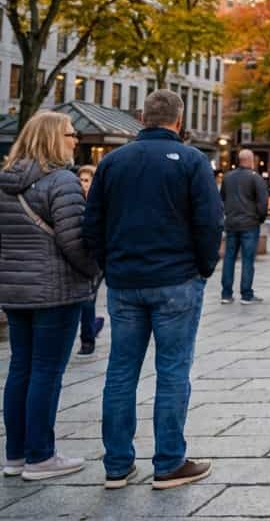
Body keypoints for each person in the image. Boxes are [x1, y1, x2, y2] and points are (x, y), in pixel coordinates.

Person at [82, 89, 222, 489]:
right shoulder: (193, 161)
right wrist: (203, 267)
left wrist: (110, 265)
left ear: (141, 117)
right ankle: (169, 462)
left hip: (125, 282)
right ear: (178, 120)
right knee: (173, 370)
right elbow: (210, 221)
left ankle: (117, 464)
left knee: (121, 371)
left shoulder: (112, 162)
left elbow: (93, 222)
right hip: (176, 280)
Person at [0, 111, 99, 481]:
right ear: (55, 139)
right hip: (56, 289)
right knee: (47, 371)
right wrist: (94, 271)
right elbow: (75, 241)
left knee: (20, 368)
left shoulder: (5, 182)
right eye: (72, 134)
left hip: (14, 289)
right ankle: (40, 455)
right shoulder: (62, 181)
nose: (76, 140)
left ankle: (15, 454)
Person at [220, 149, 268, 305]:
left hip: (232, 223)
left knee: (229, 258)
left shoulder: (227, 177)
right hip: (250, 223)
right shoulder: (256, 178)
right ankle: (246, 294)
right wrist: (259, 218)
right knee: (248, 260)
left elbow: (222, 199)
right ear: (250, 160)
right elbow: (262, 203)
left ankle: (226, 294)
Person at [75, 164, 105, 356]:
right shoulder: (72, 199)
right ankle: (94, 325)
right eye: (81, 180)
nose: (83, 184)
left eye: (87, 180)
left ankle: (87, 340)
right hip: (77, 256)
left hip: (95, 257)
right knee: (83, 299)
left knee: (88, 298)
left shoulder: (100, 202)